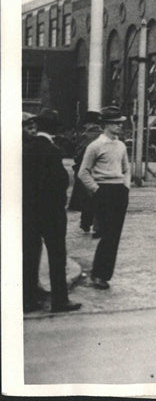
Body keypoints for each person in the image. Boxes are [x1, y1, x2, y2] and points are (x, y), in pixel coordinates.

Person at [23, 109, 82, 313]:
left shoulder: (26, 149)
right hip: (51, 213)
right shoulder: (53, 150)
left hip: (29, 212)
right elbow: (60, 181)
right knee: (57, 255)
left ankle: (28, 300)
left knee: (30, 254)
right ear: (55, 130)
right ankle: (59, 300)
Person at [78, 106, 131, 290]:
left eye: (120, 123)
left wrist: (126, 186)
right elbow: (83, 172)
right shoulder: (95, 146)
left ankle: (104, 274)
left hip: (119, 191)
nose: (119, 127)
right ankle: (98, 274)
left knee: (114, 235)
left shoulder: (121, 145)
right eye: (116, 123)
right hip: (103, 191)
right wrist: (96, 190)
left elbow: (126, 168)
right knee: (107, 234)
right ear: (106, 125)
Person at [68, 110, 103, 236]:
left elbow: (79, 154)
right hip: (101, 171)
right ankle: (97, 225)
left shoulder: (86, 136)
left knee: (86, 199)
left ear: (89, 123)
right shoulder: (104, 135)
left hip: (86, 171)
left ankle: (86, 223)